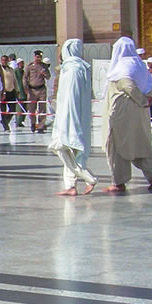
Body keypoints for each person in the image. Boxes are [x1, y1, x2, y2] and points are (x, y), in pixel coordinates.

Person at [102, 37, 152, 193]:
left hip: (122, 114)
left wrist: (141, 99)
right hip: (140, 112)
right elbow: (148, 86)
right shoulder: (139, 66)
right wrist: (145, 101)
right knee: (138, 143)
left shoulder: (122, 67)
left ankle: (119, 182)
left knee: (117, 146)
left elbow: (127, 85)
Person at [49, 39, 97, 196]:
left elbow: (71, 96)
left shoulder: (73, 69)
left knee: (60, 146)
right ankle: (70, 185)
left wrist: (67, 117)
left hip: (69, 115)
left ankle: (88, 177)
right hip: (79, 114)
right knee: (71, 149)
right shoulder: (81, 67)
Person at [24, 50, 51, 133]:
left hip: (41, 89)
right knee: (32, 108)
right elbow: (25, 77)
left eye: (40, 57)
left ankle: (40, 126)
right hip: (32, 90)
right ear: (34, 57)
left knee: (42, 108)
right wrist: (26, 88)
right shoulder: (30, 66)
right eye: (37, 57)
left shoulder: (44, 66)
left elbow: (48, 77)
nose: (38, 58)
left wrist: (45, 73)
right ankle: (32, 124)